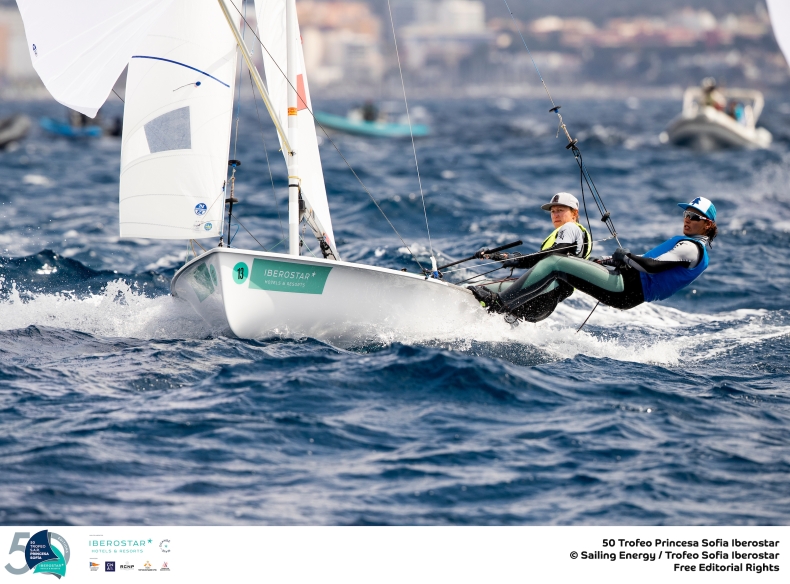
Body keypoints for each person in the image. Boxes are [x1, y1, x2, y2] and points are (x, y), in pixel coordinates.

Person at [475, 197, 717, 319]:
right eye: (686, 214)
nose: (687, 219)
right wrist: (614, 260)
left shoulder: (692, 248)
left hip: (627, 287)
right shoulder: (690, 245)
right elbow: (647, 260)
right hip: (626, 284)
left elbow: (652, 267)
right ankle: (508, 307)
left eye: (694, 217)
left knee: (555, 263)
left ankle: (499, 304)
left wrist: (627, 256)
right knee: (563, 271)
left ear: (707, 225)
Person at [471, 192, 591, 321]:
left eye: (560, 210)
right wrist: (501, 257)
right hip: (544, 304)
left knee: (475, 289)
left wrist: (515, 259)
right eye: (553, 211)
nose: (555, 215)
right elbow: (543, 260)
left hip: (539, 293)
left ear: (574, 213)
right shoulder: (580, 235)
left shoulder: (570, 228)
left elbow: (554, 254)